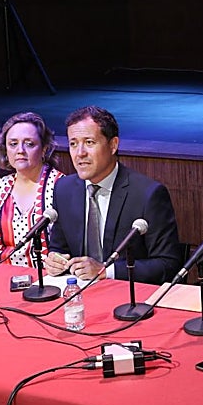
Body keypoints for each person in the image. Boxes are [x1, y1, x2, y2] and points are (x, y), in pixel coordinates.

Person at [43, 105, 181, 284]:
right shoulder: (64, 189)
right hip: (78, 290)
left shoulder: (147, 194)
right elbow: (59, 248)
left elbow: (168, 264)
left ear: (113, 145)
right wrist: (56, 260)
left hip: (128, 293)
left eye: (89, 142)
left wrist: (107, 271)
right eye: (73, 144)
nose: (80, 153)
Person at [0, 112, 64, 268]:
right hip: (3, 273)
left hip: (47, 276)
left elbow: (70, 247)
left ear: (44, 149)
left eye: (29, 144)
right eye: (13, 144)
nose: (20, 150)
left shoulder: (60, 185)